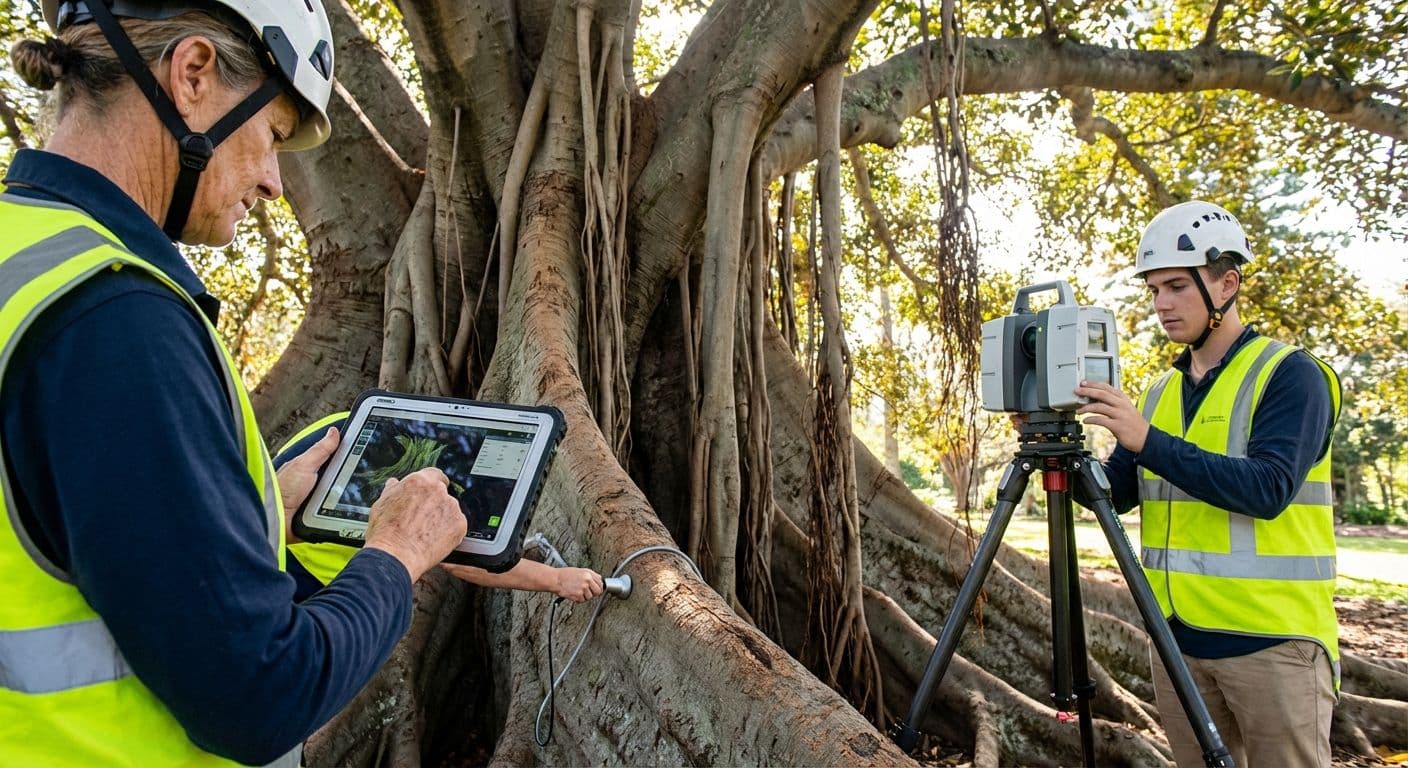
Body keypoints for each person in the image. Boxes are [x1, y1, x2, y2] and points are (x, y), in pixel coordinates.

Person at [0, 2, 467, 766]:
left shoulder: (22, 257)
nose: (274, 182)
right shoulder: (115, 316)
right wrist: (397, 555)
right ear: (193, 75)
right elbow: (262, 692)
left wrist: (251, 518)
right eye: (273, 135)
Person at [1074, 200, 1341, 767]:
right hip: (1177, 643)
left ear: (1226, 284)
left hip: (1274, 644)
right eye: (1154, 289)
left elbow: (1268, 488)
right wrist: (1058, 445)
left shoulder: (1291, 374)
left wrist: (1148, 440)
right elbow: (1116, 494)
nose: (1161, 304)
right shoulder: (1160, 393)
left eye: (1176, 286)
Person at [274, 414, 605, 604]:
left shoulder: (358, 420)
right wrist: (557, 579)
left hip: (262, 539)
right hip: (306, 574)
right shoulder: (430, 479)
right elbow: (463, 559)